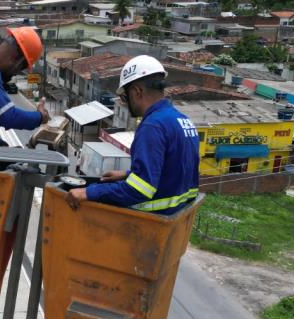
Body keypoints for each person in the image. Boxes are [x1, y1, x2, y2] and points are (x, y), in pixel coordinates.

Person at [65, 55, 199, 214]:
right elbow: (172, 170)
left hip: (150, 224)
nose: (124, 103)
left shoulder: (152, 126)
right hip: (176, 218)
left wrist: (87, 192)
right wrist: (127, 175)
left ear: (137, 92)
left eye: (124, 97)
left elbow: (139, 190)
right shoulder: (183, 121)